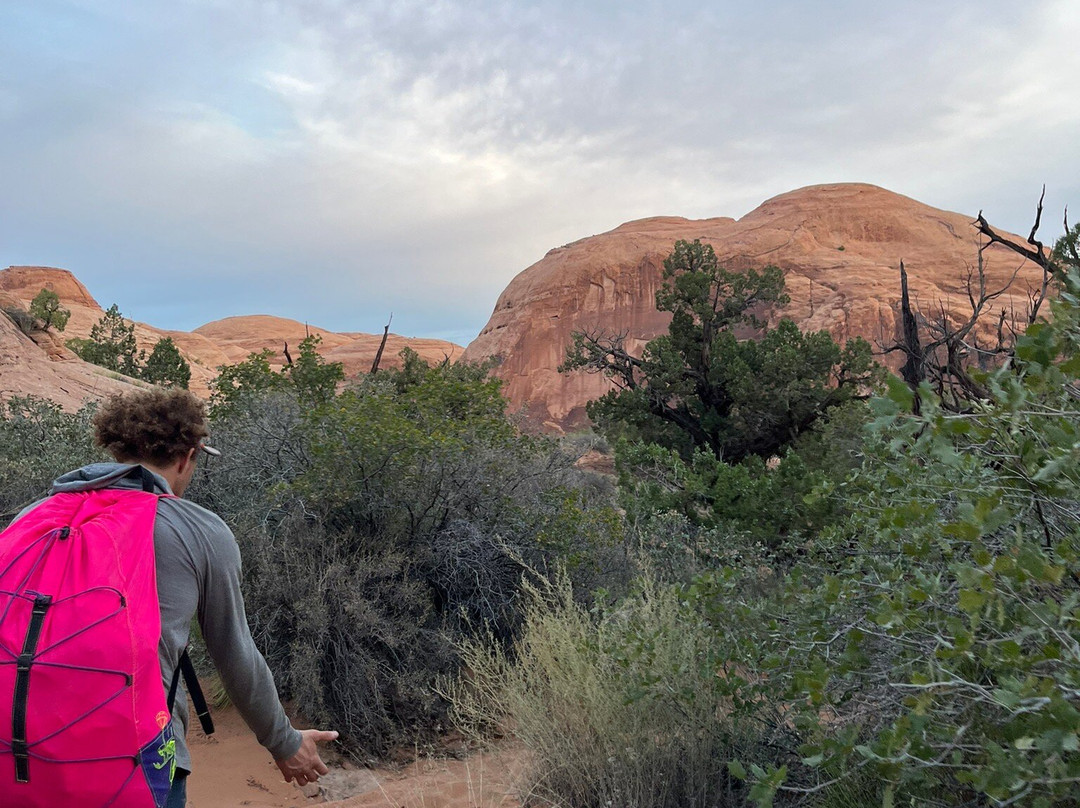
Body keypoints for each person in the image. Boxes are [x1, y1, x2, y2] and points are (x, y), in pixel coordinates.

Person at [11, 388, 337, 807]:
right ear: (187, 456)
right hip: (135, 763)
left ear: (117, 449)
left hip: (16, 756)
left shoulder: (33, 515)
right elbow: (235, 652)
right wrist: (284, 741)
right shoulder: (196, 529)